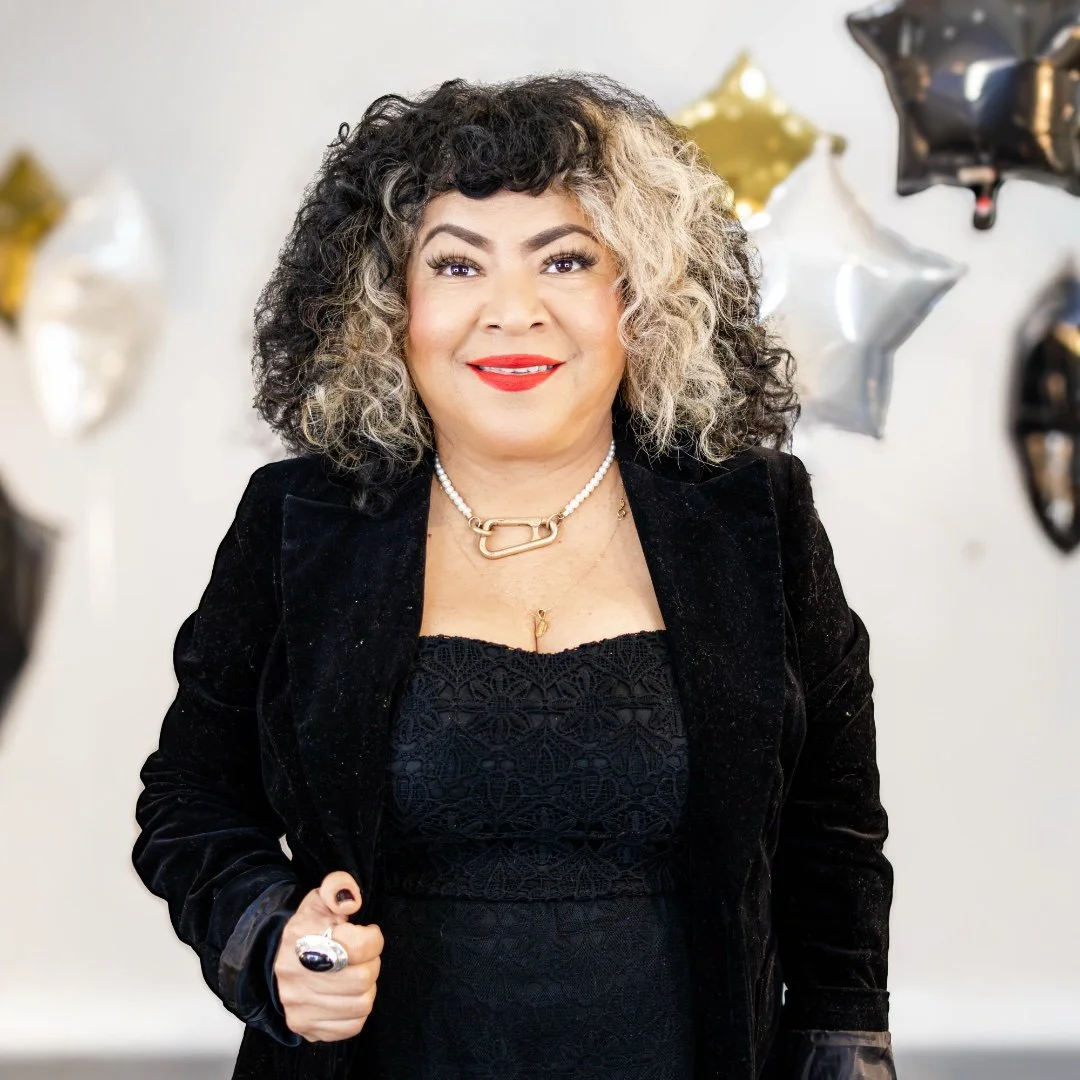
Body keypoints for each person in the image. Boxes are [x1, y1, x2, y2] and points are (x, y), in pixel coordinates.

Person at [131, 73, 897, 1080]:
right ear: (385, 305)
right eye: (456, 266)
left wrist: (849, 1056)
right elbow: (189, 799)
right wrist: (271, 938)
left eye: (566, 260)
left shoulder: (756, 517)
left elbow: (832, 836)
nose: (511, 313)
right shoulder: (298, 523)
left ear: (641, 294)